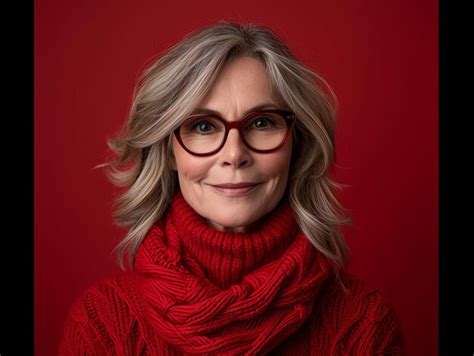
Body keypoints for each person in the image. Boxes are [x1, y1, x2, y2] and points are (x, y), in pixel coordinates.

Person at [58, 21, 405, 355]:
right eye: (204, 126)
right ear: (169, 152)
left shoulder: (364, 324)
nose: (235, 154)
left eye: (261, 122)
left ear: (295, 144)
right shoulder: (102, 323)